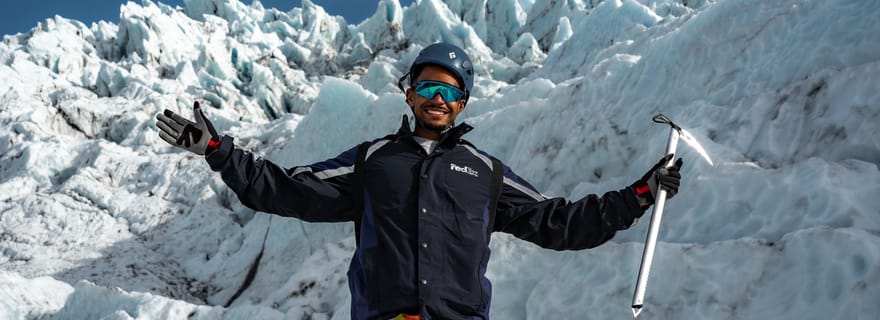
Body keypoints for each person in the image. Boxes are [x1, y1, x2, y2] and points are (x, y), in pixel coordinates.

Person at [156, 42, 683, 320]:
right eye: (428, 86)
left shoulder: (484, 172)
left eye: (450, 93)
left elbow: (560, 222)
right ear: (409, 93)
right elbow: (286, 189)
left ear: (463, 104)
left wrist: (639, 195)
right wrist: (218, 152)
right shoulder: (373, 162)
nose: (438, 99)